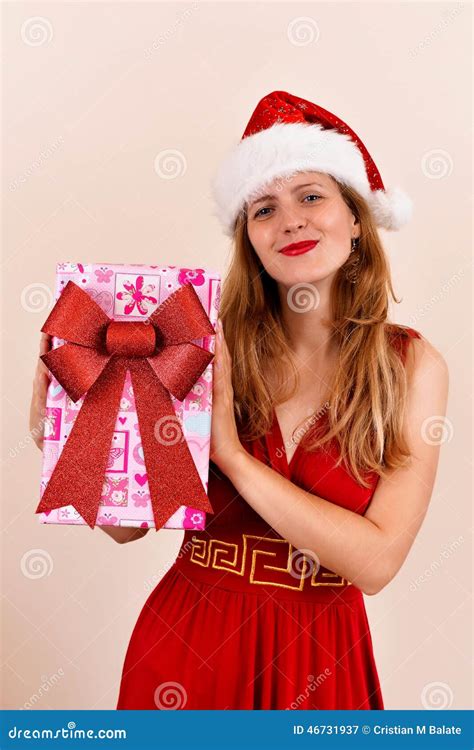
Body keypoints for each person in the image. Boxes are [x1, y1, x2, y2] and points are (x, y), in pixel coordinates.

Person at [30, 90, 449, 710]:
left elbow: (378, 561)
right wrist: (75, 447)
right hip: (186, 644)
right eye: (264, 209)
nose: (291, 221)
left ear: (356, 217)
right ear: (249, 237)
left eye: (312, 196)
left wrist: (231, 456)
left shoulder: (412, 366)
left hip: (320, 655)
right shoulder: (197, 343)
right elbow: (128, 529)